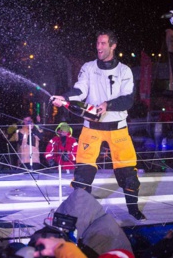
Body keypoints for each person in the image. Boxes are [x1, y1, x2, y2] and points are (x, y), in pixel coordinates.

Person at [51, 30, 146, 220]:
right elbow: (80, 89)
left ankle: (133, 210)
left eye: (103, 44)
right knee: (82, 175)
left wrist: (107, 105)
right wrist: (65, 97)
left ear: (113, 46)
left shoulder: (124, 71)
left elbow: (128, 100)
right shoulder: (88, 67)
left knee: (128, 173)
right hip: (91, 128)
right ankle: (80, 212)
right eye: (97, 43)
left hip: (118, 128)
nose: (99, 47)